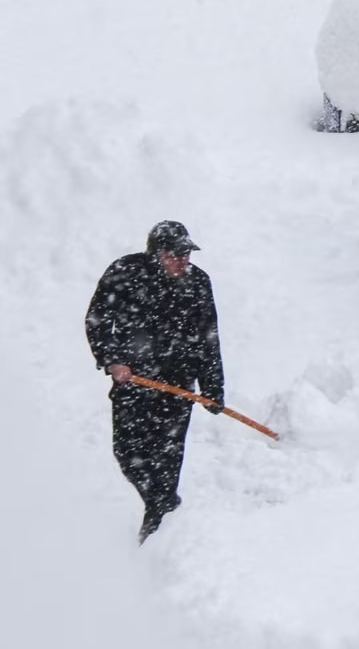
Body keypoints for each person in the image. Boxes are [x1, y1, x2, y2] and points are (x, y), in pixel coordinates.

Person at [85, 221, 225, 543]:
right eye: (175, 254)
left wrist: (213, 387)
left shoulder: (199, 283)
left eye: (187, 253)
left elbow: (208, 338)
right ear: (156, 253)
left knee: (167, 459)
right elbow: (98, 319)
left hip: (177, 386)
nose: (183, 260)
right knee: (128, 453)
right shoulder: (125, 272)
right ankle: (162, 507)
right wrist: (113, 360)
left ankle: (158, 529)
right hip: (135, 382)